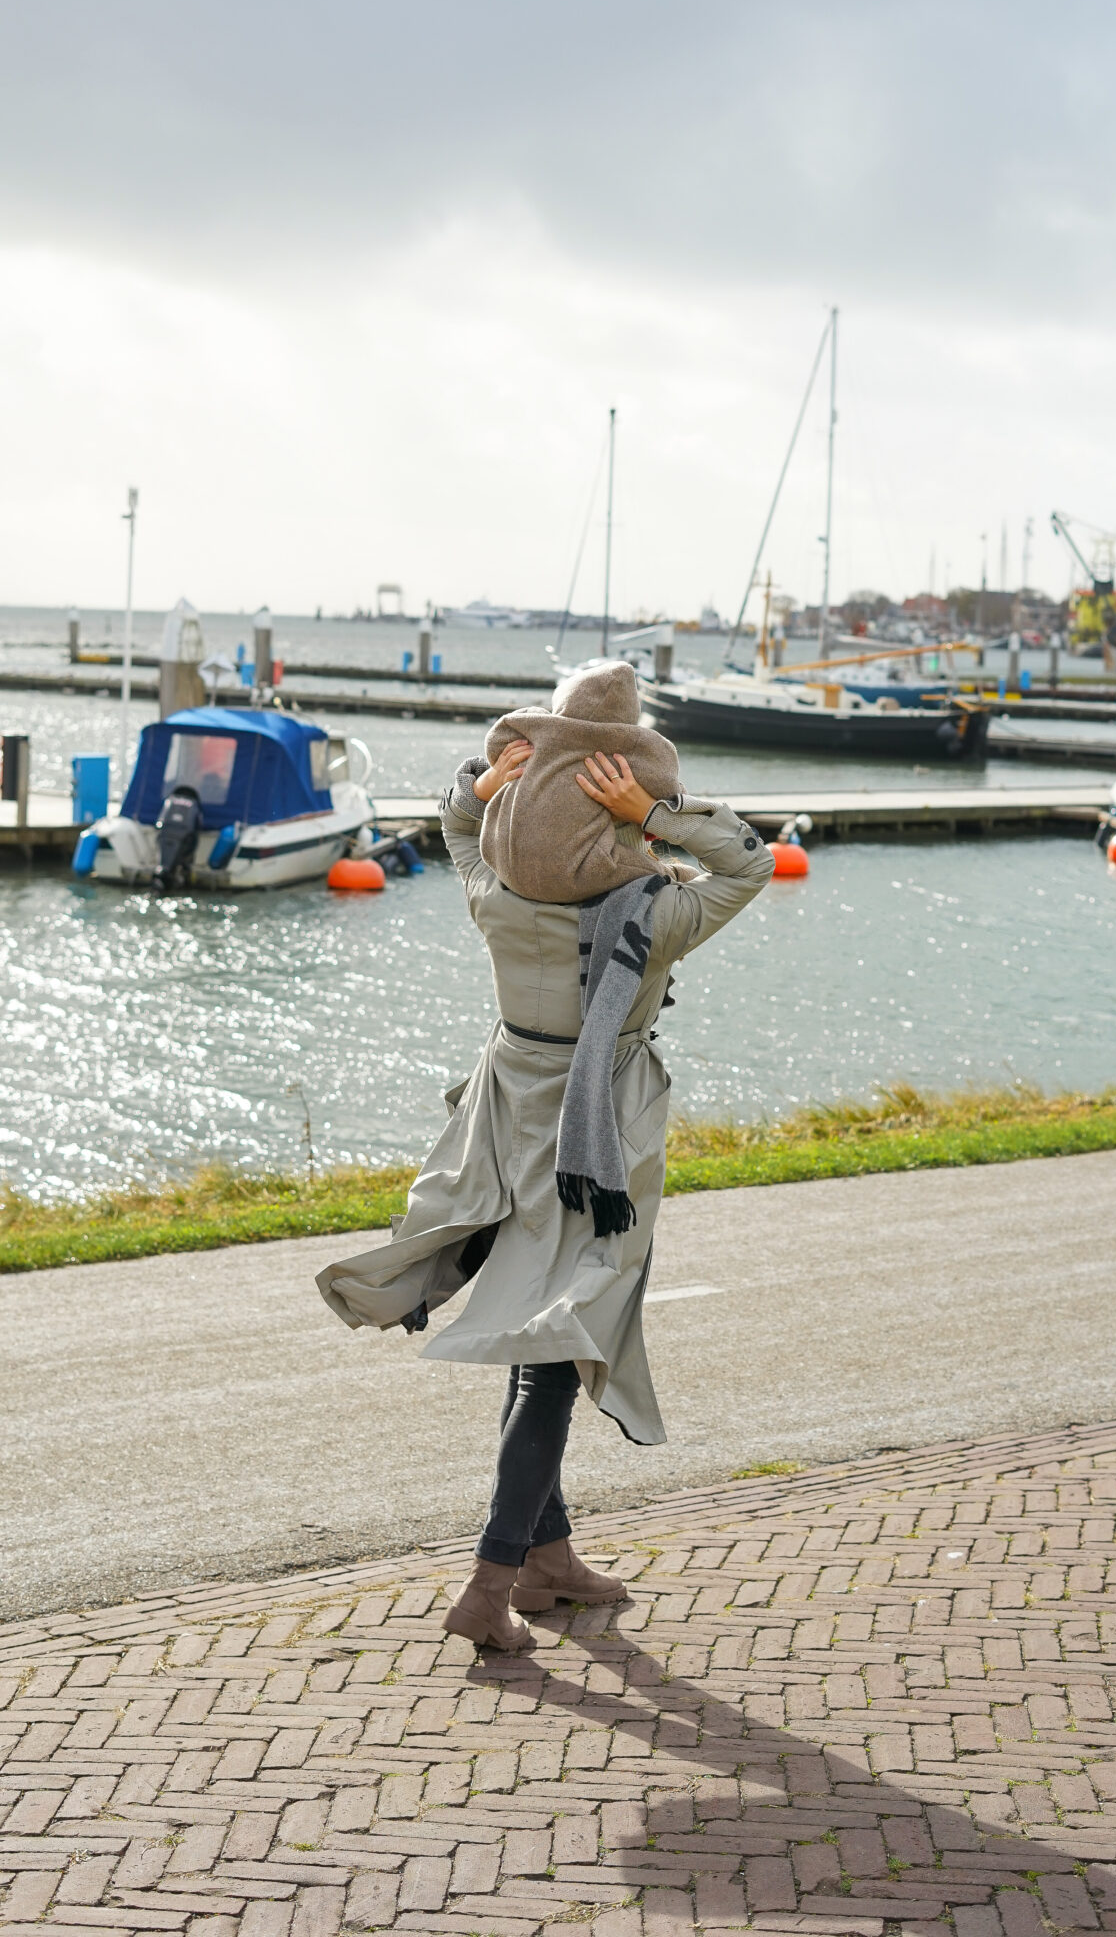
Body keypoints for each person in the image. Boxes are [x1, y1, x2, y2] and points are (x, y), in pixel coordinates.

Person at [316, 682, 774, 1650]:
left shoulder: (497, 894)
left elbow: (457, 830)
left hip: (502, 1122)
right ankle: (488, 1585)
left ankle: (548, 1562)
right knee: (557, 1355)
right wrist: (654, 813)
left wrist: (486, 787)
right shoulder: (658, 912)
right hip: (591, 1144)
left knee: (539, 1339)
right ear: (618, 817)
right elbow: (748, 860)